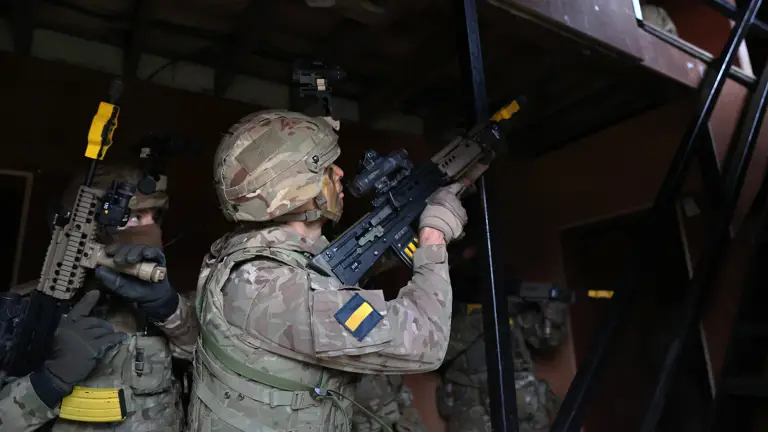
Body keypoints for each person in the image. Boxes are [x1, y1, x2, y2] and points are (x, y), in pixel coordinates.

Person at [189, 109, 468, 431]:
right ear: (293, 189)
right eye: (324, 168)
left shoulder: (244, 253)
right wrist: (434, 238)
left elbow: (329, 274)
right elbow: (424, 342)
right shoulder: (272, 289)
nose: (339, 173)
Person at [0, 164, 197, 431]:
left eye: (155, 217)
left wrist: (169, 308)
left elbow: (224, 367)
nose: (151, 230)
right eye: (133, 217)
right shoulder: (22, 310)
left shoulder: (168, 304)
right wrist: (47, 384)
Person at [435, 244, 566, 432]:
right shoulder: (450, 309)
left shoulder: (509, 305)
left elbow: (545, 339)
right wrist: (485, 316)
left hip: (516, 397)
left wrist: (552, 316)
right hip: (470, 404)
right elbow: (438, 352)